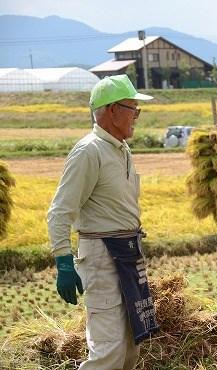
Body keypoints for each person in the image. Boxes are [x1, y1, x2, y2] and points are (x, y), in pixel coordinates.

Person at [47, 74, 158, 370]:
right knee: (108, 352)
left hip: (128, 254)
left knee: (131, 348)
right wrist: (64, 262)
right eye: (133, 109)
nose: (137, 116)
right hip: (101, 257)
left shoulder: (122, 150)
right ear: (111, 110)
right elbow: (60, 211)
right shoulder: (89, 151)